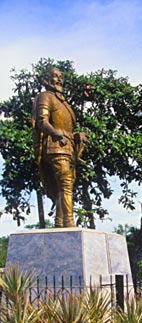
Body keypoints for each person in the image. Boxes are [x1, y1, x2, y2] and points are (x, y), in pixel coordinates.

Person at [32, 66, 88, 227]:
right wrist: (56, 133)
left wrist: (77, 135)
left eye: (60, 76)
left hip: (68, 146)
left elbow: (67, 128)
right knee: (65, 183)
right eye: (55, 76)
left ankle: (59, 223)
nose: (59, 79)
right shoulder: (45, 97)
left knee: (65, 185)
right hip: (55, 146)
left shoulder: (63, 103)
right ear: (46, 80)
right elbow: (42, 121)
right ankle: (69, 223)